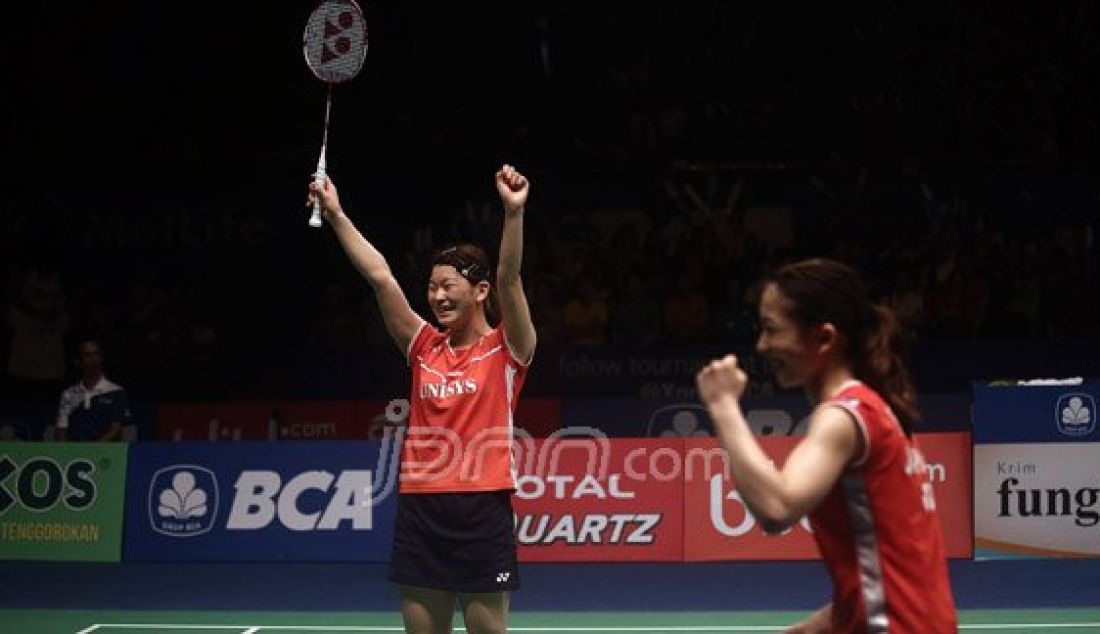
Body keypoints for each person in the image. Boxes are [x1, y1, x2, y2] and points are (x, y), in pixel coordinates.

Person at [308, 164, 536, 634]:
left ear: (480, 291)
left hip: (481, 510)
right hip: (422, 510)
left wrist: (513, 214)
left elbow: (511, 278)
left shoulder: (507, 349)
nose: (436, 296)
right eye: (431, 288)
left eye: (447, 286)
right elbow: (380, 278)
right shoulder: (423, 346)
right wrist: (335, 214)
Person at [695, 258, 956, 634]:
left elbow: (776, 508)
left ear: (824, 338)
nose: (761, 345)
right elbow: (897, 569)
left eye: (771, 330)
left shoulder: (843, 418)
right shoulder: (875, 408)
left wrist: (722, 406)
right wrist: (820, 626)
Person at [56, 339, 131, 442]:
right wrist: (65, 453)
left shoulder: (116, 392)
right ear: (78, 362)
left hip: (104, 452)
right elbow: (61, 428)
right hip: (75, 453)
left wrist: (92, 451)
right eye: (87, 355)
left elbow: (115, 429)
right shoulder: (69, 393)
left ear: (101, 358)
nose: (93, 359)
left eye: (96, 354)